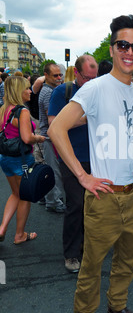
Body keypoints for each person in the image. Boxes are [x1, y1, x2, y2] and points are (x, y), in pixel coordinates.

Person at [48, 15, 133, 313]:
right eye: (124, 45)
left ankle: (116, 305)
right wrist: (82, 176)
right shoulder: (94, 89)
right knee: (91, 267)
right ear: (113, 47)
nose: (130, 52)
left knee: (127, 261)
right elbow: (56, 128)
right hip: (102, 196)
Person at [48, 55, 98, 273]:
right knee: (76, 204)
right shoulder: (62, 92)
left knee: (94, 204)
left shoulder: (99, 90)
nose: (91, 82)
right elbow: (53, 124)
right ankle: (71, 254)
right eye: (87, 78)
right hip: (71, 157)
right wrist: (87, 118)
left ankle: (88, 245)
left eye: (94, 78)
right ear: (76, 73)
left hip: (97, 157)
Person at [0, 76, 45, 244]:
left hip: (6, 158)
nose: (30, 91)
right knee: (25, 196)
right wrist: (38, 138)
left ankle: (2, 228)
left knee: (15, 194)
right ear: (19, 91)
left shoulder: (4, 109)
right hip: (22, 159)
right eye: (27, 88)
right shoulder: (22, 111)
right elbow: (27, 138)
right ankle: (19, 235)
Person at [39, 63, 65, 213]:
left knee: (53, 170)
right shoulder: (49, 92)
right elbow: (52, 116)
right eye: (55, 75)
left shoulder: (48, 89)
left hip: (48, 136)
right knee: (53, 171)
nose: (59, 77)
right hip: (49, 137)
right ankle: (53, 202)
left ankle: (51, 199)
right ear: (46, 75)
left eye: (60, 75)